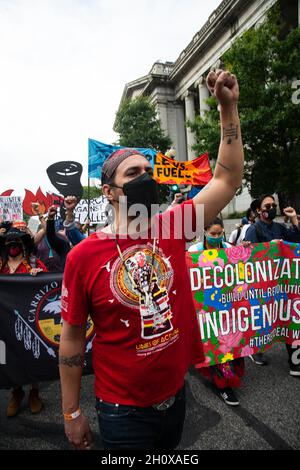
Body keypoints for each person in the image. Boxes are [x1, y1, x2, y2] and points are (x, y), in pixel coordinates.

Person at [59, 69, 244, 450]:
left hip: (177, 398)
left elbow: (227, 179)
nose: (146, 177)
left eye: (148, 171)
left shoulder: (173, 225)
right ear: (109, 192)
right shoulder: (83, 255)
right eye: (134, 173)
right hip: (122, 412)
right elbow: (73, 340)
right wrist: (70, 413)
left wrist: (228, 107)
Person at [189, 218, 244, 406]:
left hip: (228, 306)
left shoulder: (228, 246)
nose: (217, 237)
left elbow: (242, 269)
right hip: (206, 308)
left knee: (230, 345)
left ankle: (227, 378)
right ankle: (223, 385)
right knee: (215, 347)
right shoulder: (194, 251)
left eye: (220, 233)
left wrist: (246, 251)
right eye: (213, 234)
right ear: (204, 232)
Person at [244, 194, 300, 374]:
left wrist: (293, 218)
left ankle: (295, 362)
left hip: (282, 283)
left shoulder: (279, 227)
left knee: (288, 316)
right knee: (264, 318)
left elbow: (296, 242)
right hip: (263, 286)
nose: (271, 209)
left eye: (273, 205)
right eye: (267, 206)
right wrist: (271, 247)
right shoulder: (253, 229)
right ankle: (257, 349)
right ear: (259, 211)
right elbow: (251, 256)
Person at [0, 226, 47, 417]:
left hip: (27, 320)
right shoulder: (0, 265)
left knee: (30, 354)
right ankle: (16, 392)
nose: (13, 245)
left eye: (17, 242)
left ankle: (34, 392)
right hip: (4, 321)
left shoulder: (33, 263)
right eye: (9, 242)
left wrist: (38, 275)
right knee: (11, 356)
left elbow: (48, 285)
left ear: (23, 245)